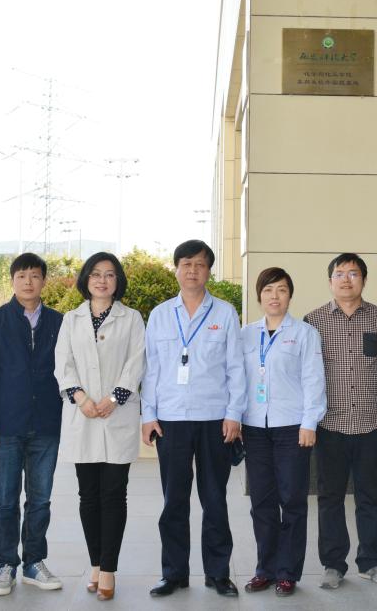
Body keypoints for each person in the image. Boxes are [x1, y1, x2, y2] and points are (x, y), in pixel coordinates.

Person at [141, 240, 246, 598]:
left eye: (200, 264)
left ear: (208, 271)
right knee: (174, 500)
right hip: (170, 418)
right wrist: (148, 415)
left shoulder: (225, 313)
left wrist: (234, 414)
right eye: (186, 264)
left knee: (214, 499)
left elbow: (236, 368)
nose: (192, 270)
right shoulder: (160, 315)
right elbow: (151, 369)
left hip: (215, 418)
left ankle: (218, 573)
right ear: (176, 269)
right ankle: (173, 573)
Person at [303, 252, 377, 590]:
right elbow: (306, 372)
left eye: (353, 273)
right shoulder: (313, 320)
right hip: (330, 425)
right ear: (330, 281)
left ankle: (370, 562)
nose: (346, 279)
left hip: (372, 424)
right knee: (329, 498)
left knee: (370, 497)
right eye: (339, 274)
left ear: (364, 280)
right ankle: (333, 564)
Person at [55, 252, 145, 602]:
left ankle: (108, 569)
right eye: (95, 274)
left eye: (109, 274)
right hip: (83, 415)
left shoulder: (131, 318)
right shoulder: (71, 319)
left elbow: (137, 361)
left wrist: (114, 398)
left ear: (117, 280)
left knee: (114, 494)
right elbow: (62, 364)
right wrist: (80, 397)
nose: (102, 280)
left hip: (116, 415)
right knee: (88, 496)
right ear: (86, 280)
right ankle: (95, 563)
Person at [0, 252, 64, 596]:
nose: (28, 282)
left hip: (46, 425)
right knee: (5, 501)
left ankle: (34, 562)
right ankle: (6, 564)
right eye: (22, 276)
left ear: (44, 281)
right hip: (6, 426)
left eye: (35, 276)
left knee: (40, 500)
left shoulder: (59, 322)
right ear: (12, 280)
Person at [240, 267, 326, 597]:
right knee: (262, 501)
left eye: (281, 290)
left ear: (290, 295)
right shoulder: (246, 334)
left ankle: (288, 571)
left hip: (292, 427)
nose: (274, 296)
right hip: (255, 427)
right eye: (268, 290)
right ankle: (265, 569)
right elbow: (238, 379)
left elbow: (314, 379)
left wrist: (310, 422)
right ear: (259, 296)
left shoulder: (304, 333)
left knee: (292, 500)